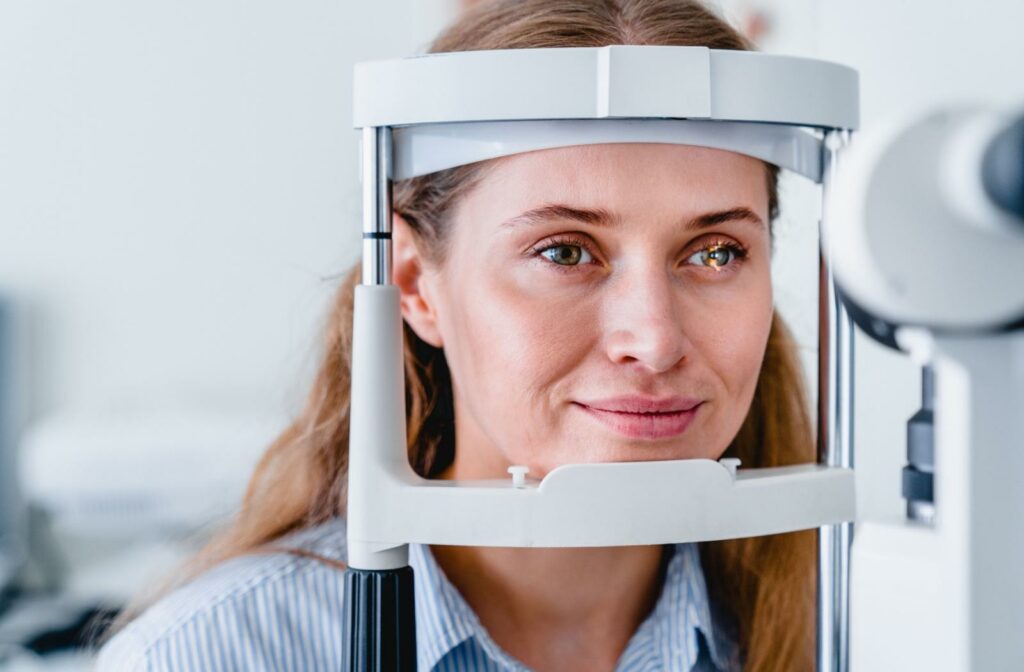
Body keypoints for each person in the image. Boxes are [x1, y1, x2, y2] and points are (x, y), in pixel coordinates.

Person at [95, 1, 817, 670]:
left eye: (715, 254)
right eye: (565, 251)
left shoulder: (841, 627)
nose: (654, 340)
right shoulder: (204, 655)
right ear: (414, 283)